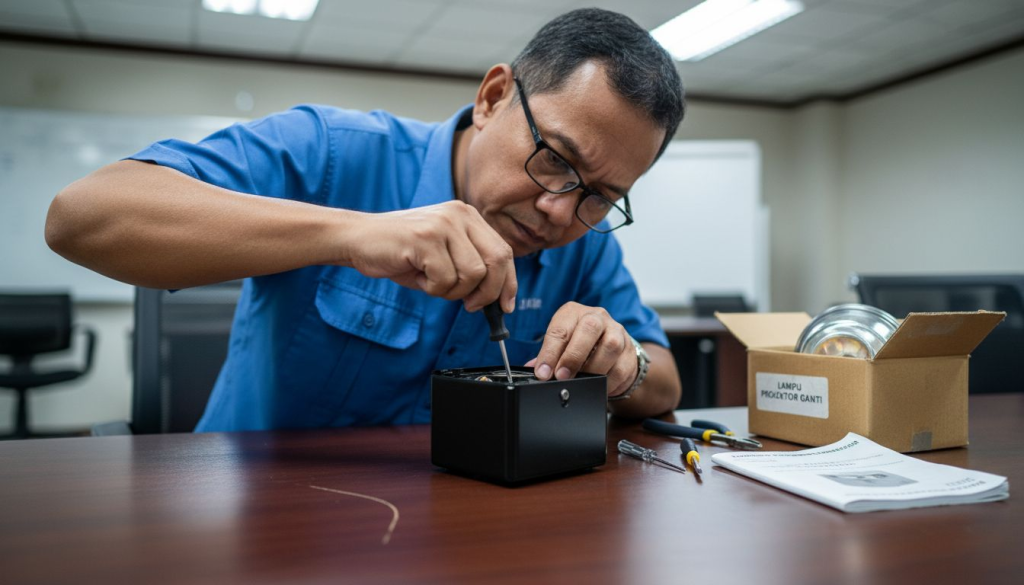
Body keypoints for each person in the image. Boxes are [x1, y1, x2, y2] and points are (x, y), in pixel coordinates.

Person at [45, 8, 686, 431]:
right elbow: (82, 216)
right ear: (492, 99)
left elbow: (664, 379)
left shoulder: (584, 240)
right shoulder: (331, 151)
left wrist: (623, 360)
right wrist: (349, 235)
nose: (559, 210)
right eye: (555, 160)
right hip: (261, 517)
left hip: (458, 531)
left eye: (601, 195)